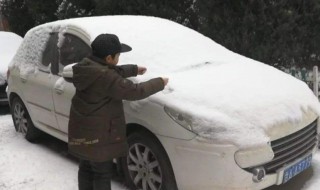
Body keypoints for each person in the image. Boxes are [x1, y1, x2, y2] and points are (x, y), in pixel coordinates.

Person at [68, 33, 168, 190]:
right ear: (109, 58)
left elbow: (110, 72)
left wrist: (134, 69)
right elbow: (135, 91)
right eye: (118, 55)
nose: (119, 58)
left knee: (86, 168)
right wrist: (160, 82)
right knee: (102, 173)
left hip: (82, 132)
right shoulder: (105, 77)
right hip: (98, 137)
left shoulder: (86, 67)